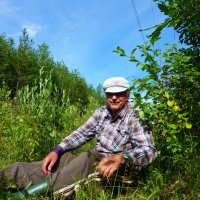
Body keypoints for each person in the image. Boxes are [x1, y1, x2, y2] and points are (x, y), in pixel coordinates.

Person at [0, 77, 157, 198]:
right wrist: (57, 149)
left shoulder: (135, 117)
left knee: (88, 157)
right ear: (106, 95)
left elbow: (149, 151)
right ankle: (6, 178)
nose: (114, 97)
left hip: (115, 173)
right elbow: (82, 133)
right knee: (64, 158)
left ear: (127, 94)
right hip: (94, 163)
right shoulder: (101, 113)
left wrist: (122, 157)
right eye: (110, 93)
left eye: (119, 93)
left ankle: (25, 196)